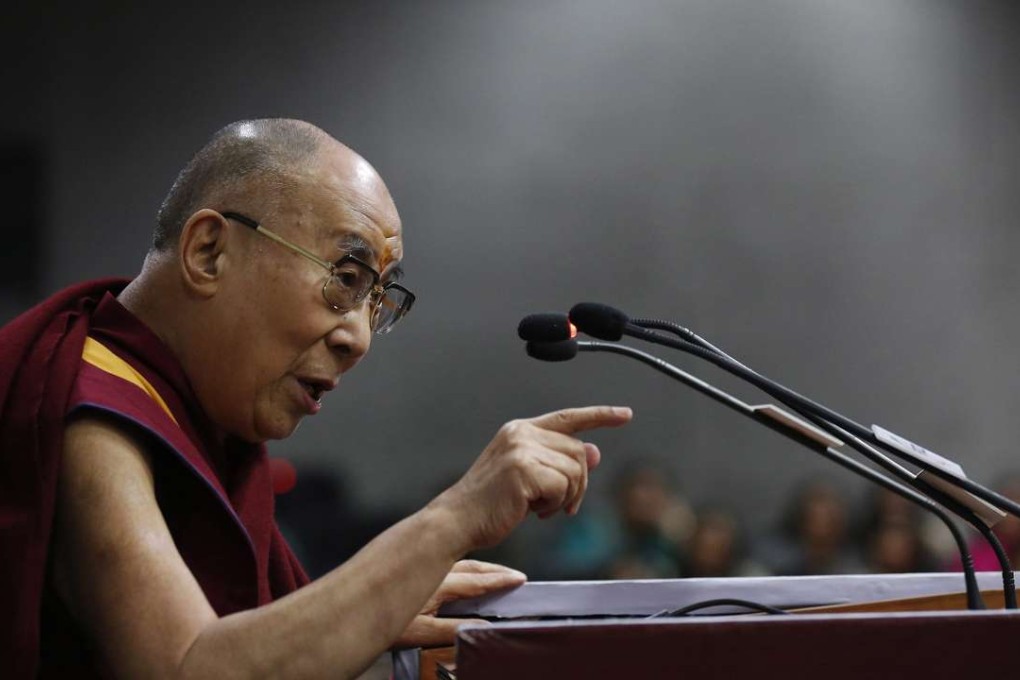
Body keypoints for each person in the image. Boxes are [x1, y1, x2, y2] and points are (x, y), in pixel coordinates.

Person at [0, 119, 633, 678]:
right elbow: (189, 666)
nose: (357, 338)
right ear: (208, 251)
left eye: (377, 300)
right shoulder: (91, 407)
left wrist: (370, 608)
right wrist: (450, 520)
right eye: (346, 279)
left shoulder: (203, 420)